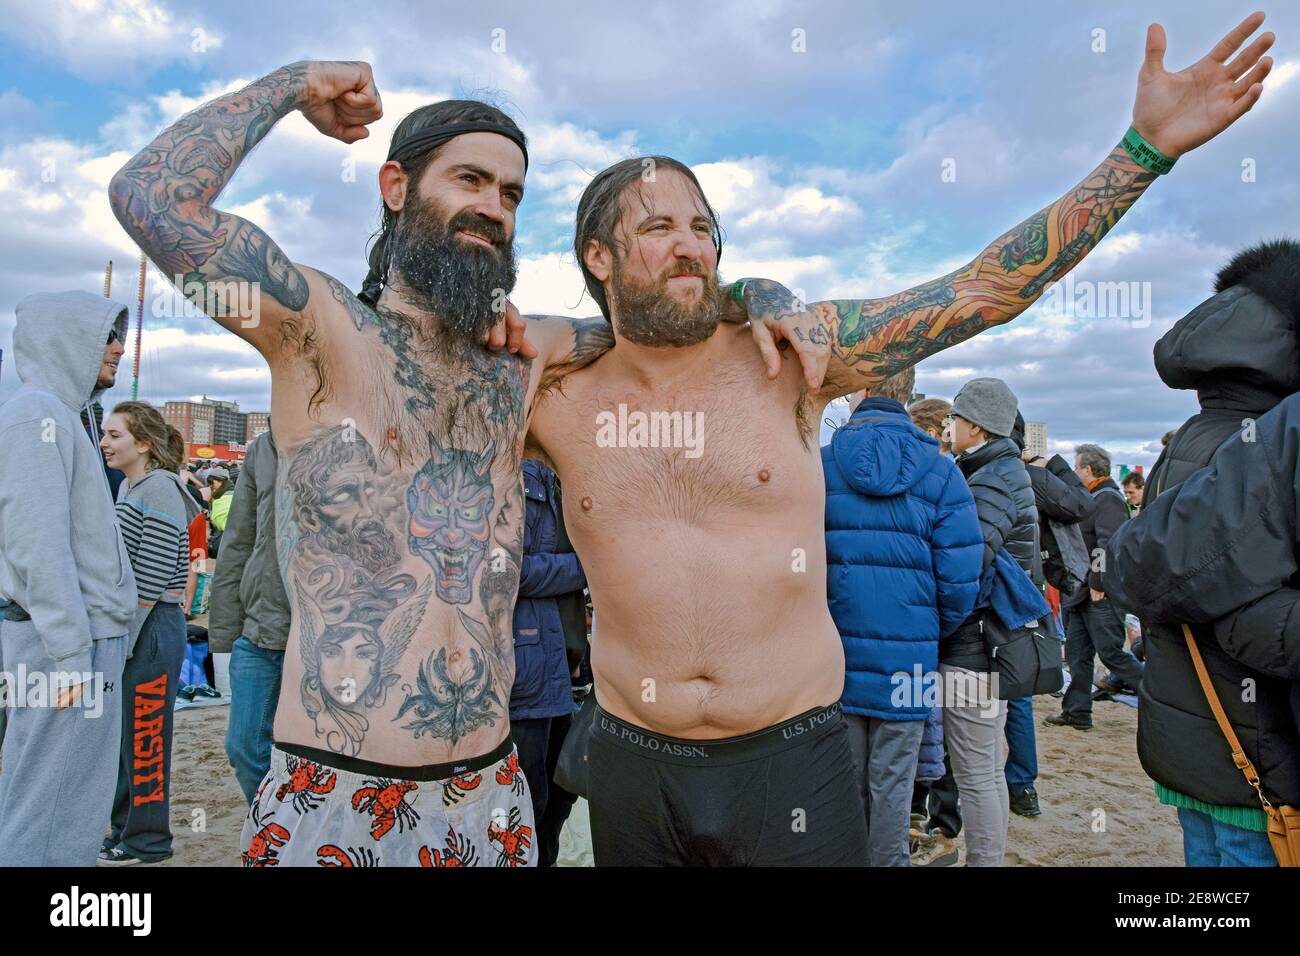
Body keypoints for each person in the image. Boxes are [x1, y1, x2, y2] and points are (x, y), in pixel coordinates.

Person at [526, 13, 1272, 865]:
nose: (691, 246)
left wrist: (1141, 151)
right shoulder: (555, 395)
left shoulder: (793, 356)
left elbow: (984, 289)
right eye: (658, 229)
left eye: (703, 228)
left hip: (791, 751)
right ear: (597, 255)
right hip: (636, 759)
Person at [110, 61, 799, 867]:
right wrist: (295, 86)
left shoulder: (523, 363)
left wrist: (754, 290)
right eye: (470, 179)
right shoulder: (320, 332)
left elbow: (657, 311)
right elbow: (151, 200)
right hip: (335, 792)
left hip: (490, 795)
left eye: (510, 194)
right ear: (396, 185)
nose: (493, 208)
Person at [1105, 237, 1300, 866]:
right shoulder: (1262, 444)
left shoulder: (1195, 437)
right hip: (1259, 755)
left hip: (1199, 743)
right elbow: (1242, 620)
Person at [823, 366, 982, 866]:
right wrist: (929, 627)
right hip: (909, 655)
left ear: (861, 391)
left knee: (843, 780)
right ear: (906, 393)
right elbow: (960, 577)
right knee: (894, 782)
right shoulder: (942, 471)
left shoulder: (822, 464)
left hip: (835, 649)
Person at [0, 291, 138, 866]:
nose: (118, 350)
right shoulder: (38, 414)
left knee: (67, 798)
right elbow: (37, 544)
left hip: (74, 639)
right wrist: (72, 654)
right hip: (64, 645)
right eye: (106, 334)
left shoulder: (59, 413)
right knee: (53, 804)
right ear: (65, 337)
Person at [97, 402, 201, 865]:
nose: (104, 443)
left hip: (152, 626)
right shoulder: (131, 488)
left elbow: (154, 572)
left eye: (115, 435)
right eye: (103, 434)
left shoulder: (158, 488)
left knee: (146, 737)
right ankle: (125, 829)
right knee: (126, 738)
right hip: (138, 625)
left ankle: (147, 841)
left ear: (143, 443)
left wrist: (125, 638)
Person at [938, 378, 1035, 866]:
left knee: (976, 771)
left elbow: (967, 562)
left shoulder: (993, 478)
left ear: (973, 425)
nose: (950, 426)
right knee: (984, 768)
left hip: (975, 643)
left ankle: (985, 861)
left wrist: (938, 621)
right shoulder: (998, 470)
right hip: (985, 643)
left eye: (955, 418)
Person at [1003, 413, 1095, 817]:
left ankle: (1015, 785)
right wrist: (1048, 464)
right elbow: (1080, 503)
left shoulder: (1011, 474)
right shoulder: (1031, 475)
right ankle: (1021, 788)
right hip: (1026, 593)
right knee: (1016, 696)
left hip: (1005, 593)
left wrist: (1047, 466)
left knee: (991, 699)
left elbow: (1081, 505)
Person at [511, 460, 587, 866]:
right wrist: (588, 566)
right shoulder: (517, 477)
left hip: (565, 665)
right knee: (530, 799)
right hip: (530, 666)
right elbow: (507, 569)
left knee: (563, 787)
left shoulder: (566, 479)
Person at [209, 429, 291, 804]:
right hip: (260, 633)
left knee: (321, 754)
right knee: (244, 748)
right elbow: (237, 542)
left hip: (329, 639)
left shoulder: (350, 435)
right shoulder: (264, 446)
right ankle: (274, 836)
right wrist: (223, 639)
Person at [1045, 443, 1142, 729]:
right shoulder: (1094, 497)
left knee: (1111, 653)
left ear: (1087, 469)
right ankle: (1076, 712)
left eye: (1077, 467)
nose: (1075, 472)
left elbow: (1109, 543)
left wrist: (1100, 582)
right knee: (1078, 655)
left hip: (1098, 593)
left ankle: (1158, 698)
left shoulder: (1107, 498)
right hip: (1081, 591)